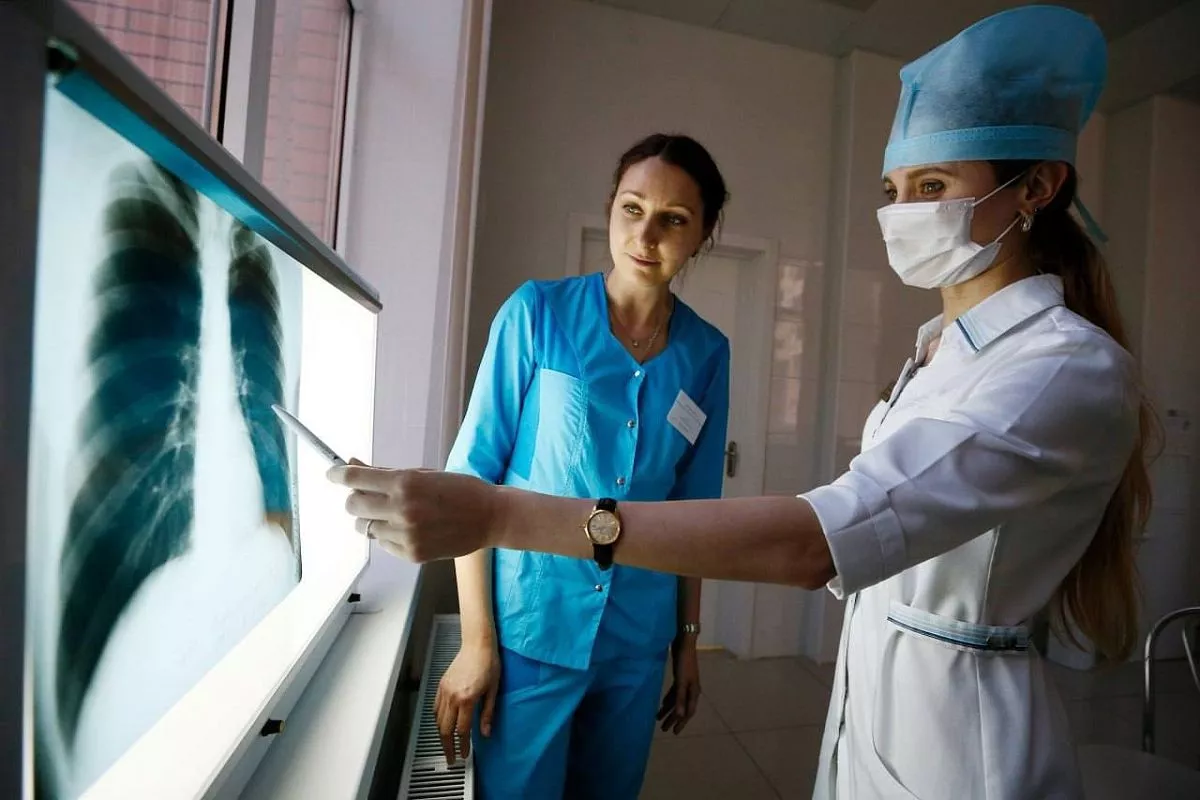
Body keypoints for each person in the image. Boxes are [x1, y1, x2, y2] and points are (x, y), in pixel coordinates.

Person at [331, 7, 1157, 798]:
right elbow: (479, 465)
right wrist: (481, 626)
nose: (903, 214)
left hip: (704, 649)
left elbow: (789, 528)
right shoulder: (541, 314)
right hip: (544, 620)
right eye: (894, 188)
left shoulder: (1058, 367)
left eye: (933, 184)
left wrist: (675, 632)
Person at [423, 133, 732, 799]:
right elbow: (471, 478)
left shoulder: (707, 354)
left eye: (674, 219)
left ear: (702, 235)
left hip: (637, 638)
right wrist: (477, 643)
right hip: (533, 626)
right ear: (611, 208)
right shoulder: (538, 313)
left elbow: (696, 515)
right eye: (632, 209)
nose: (645, 235)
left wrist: (686, 642)